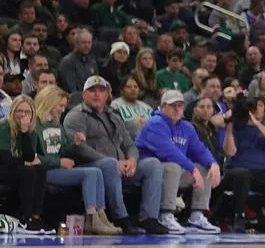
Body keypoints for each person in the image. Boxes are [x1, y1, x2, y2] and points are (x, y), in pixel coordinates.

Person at [64, 75, 167, 234]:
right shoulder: (76, 115)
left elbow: (129, 144)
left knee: (153, 164)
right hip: (94, 167)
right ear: (84, 95)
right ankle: (121, 218)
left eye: (101, 90)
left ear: (107, 95)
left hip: (121, 166)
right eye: (92, 90)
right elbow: (80, 148)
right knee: (110, 164)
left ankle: (149, 218)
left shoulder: (113, 115)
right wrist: (113, 161)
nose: (97, 94)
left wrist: (132, 160)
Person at [33, 85, 120, 235]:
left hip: (58, 169)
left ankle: (101, 216)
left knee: (96, 171)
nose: (62, 110)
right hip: (45, 171)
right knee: (90, 173)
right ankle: (92, 218)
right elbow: (33, 156)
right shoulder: (35, 125)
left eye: (64, 106)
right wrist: (59, 162)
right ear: (49, 102)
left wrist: (75, 143)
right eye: (60, 106)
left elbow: (64, 149)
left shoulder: (56, 124)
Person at [136, 90, 223, 234]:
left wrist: (213, 164)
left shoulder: (187, 127)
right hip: (150, 171)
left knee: (204, 168)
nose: (177, 109)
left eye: (180, 105)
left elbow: (200, 149)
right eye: (172, 106)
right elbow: (168, 152)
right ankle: (165, 215)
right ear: (162, 107)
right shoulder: (155, 123)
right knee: (173, 167)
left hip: (175, 172)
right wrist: (192, 169)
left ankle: (196, 216)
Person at [222, 94, 265, 231]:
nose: (257, 108)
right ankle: (239, 216)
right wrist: (229, 127)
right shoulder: (238, 126)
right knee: (243, 174)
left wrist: (257, 123)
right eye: (254, 106)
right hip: (237, 170)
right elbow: (230, 152)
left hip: (260, 171)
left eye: (261, 105)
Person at [0, 95, 48, 229]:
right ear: (12, 111)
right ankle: (24, 218)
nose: (23, 115)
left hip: (18, 167)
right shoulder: (3, 127)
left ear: (32, 115)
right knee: (28, 171)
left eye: (27, 112)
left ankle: (35, 216)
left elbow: (30, 157)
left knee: (40, 169)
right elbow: (4, 157)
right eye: (19, 111)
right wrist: (24, 162)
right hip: (3, 167)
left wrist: (24, 132)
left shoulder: (31, 131)